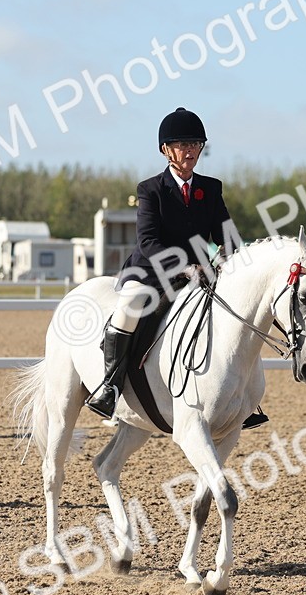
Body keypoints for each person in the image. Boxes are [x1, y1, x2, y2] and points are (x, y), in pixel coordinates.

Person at [86, 107, 268, 429]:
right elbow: (148, 242)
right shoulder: (150, 189)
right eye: (183, 145)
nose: (190, 151)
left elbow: (226, 234)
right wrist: (186, 266)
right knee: (129, 308)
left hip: (199, 273)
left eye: (195, 145)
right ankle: (110, 386)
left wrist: (229, 256)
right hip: (151, 271)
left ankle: (243, 398)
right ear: (166, 150)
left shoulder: (210, 188)